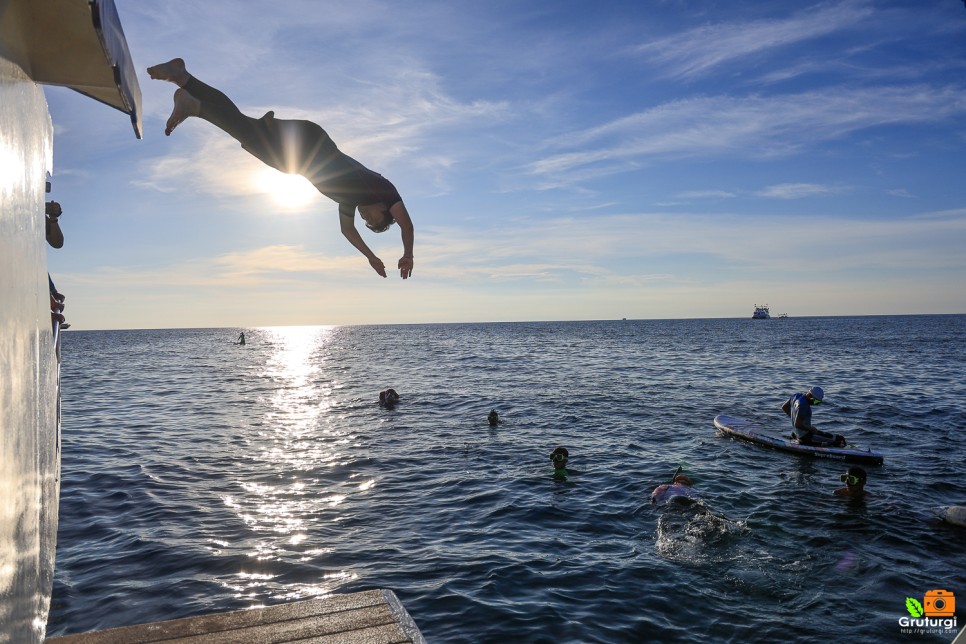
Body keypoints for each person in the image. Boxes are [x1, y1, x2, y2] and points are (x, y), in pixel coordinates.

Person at [147, 58, 414, 279]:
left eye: (366, 222)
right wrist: (407, 254)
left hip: (304, 149)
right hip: (307, 147)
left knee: (243, 126)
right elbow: (407, 226)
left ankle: (184, 79)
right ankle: (196, 106)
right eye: (373, 220)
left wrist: (371, 258)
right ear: (384, 210)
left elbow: (347, 231)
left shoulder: (348, 199)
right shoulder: (381, 188)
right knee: (251, 137)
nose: (365, 219)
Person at [781, 386, 846, 447]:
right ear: (810, 396)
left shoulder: (796, 396)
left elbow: (784, 407)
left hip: (796, 434)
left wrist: (794, 417)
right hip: (806, 437)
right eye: (816, 401)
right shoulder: (803, 405)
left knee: (828, 436)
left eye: (819, 402)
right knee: (839, 439)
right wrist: (811, 428)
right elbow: (798, 424)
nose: (816, 404)